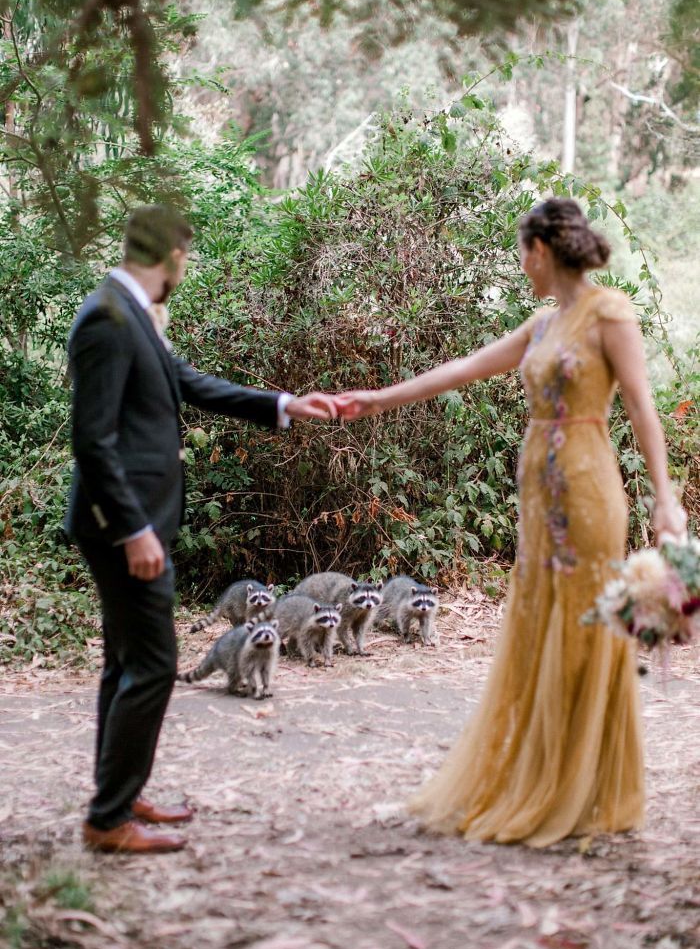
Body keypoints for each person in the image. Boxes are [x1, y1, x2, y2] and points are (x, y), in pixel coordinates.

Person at [335, 198, 687, 847]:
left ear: (541, 250)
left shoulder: (610, 313)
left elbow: (642, 407)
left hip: (587, 490)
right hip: (538, 498)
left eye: (523, 253)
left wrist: (666, 498)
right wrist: (376, 400)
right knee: (538, 621)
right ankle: (538, 775)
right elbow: (463, 369)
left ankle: (580, 787)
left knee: (584, 626)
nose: (522, 264)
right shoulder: (542, 324)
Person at [65, 205, 337, 854]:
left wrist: (281, 404)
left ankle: (120, 795)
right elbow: (93, 440)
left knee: (125, 664)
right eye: (186, 258)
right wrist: (133, 529)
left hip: (136, 520)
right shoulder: (107, 318)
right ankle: (108, 819)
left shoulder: (130, 312)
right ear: (173, 255)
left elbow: (185, 381)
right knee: (155, 664)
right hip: (124, 525)